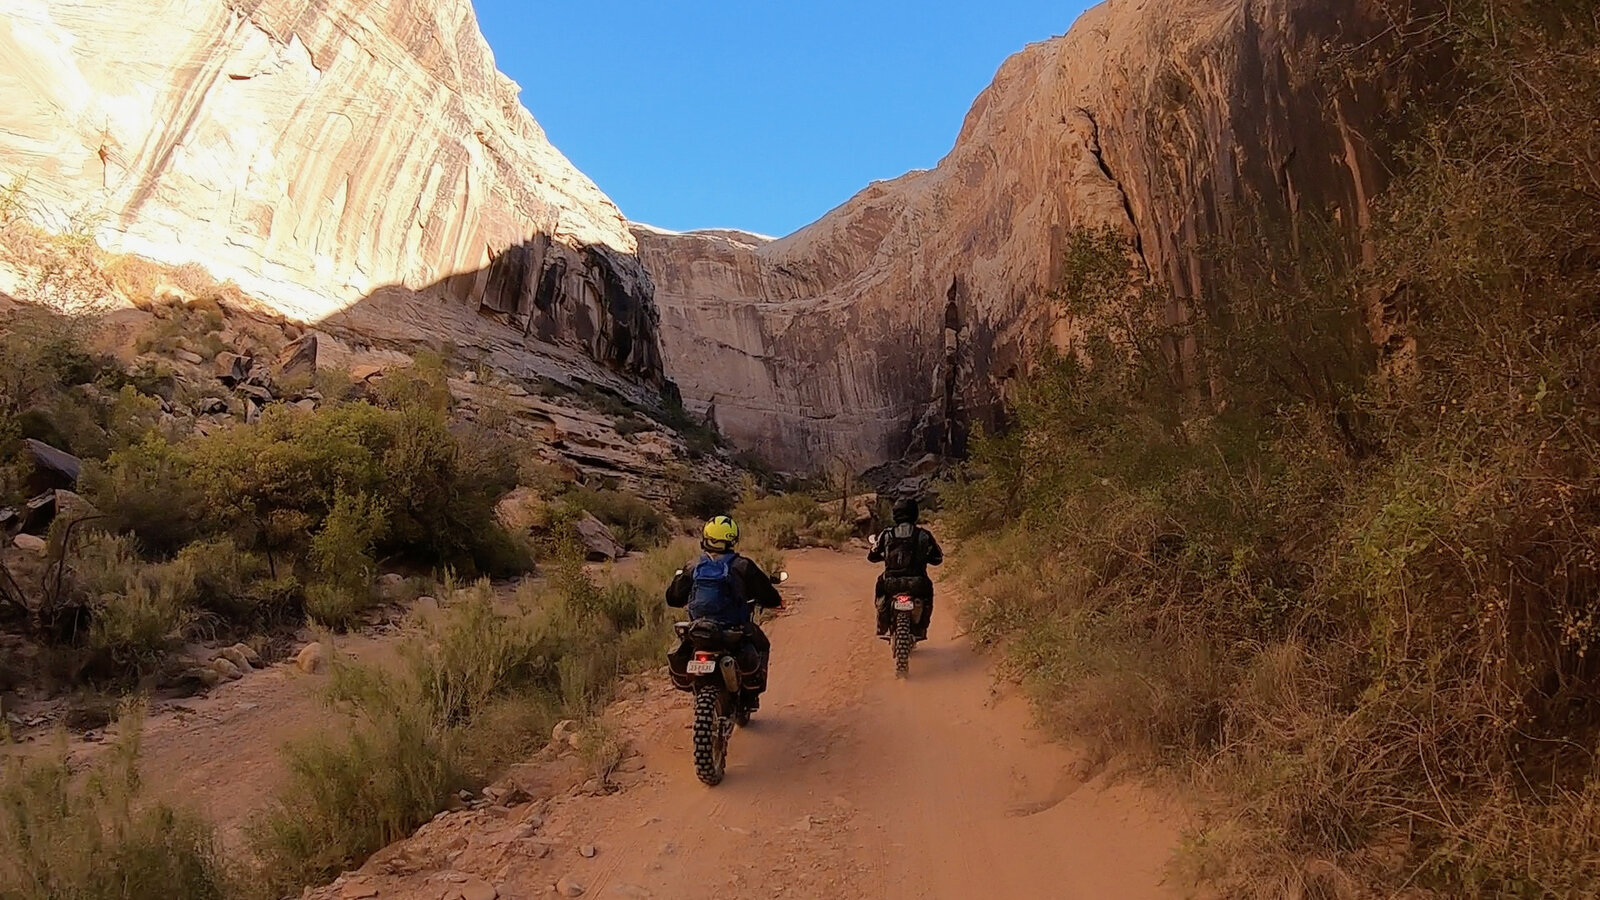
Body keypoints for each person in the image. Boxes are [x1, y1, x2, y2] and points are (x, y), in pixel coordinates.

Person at [666, 515, 783, 709]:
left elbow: (673, 598)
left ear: (706, 537)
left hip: (699, 629)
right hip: (732, 629)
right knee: (761, 644)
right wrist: (776, 602)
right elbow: (768, 596)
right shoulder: (743, 566)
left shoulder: (693, 566)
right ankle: (751, 696)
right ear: (732, 539)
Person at [868, 497, 944, 641]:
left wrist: (885, 556)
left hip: (891, 583)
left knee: (880, 589)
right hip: (918, 583)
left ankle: (882, 624)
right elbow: (938, 558)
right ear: (915, 513)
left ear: (895, 514)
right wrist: (924, 557)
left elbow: (872, 556)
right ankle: (922, 627)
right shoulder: (924, 535)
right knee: (928, 594)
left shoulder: (886, 534)